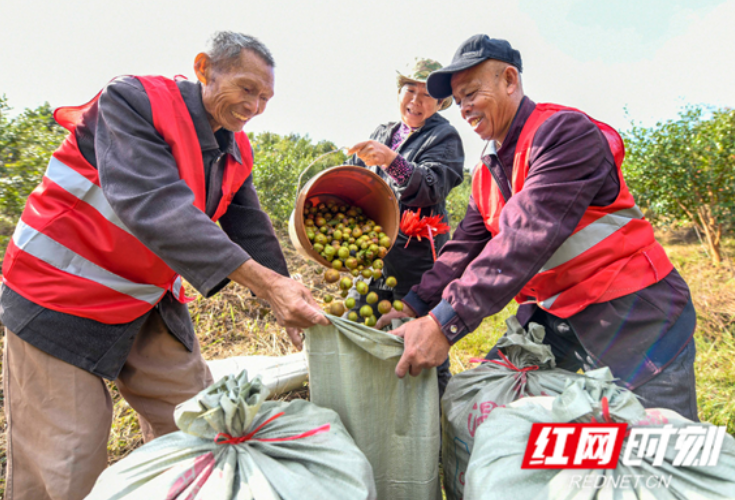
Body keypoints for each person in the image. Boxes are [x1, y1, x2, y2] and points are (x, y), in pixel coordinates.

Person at [0, 31, 328, 500]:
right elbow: (154, 205)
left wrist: (284, 295)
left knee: (203, 423)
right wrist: (266, 285)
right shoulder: (132, 102)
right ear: (204, 69)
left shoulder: (235, 149)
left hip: (141, 300)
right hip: (59, 294)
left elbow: (251, 228)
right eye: (247, 88)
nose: (255, 106)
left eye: (265, 97)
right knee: (68, 463)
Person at [378, 35, 698, 421]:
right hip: (556, 316)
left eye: (472, 93)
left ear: (509, 80)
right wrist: (413, 304)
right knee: (493, 411)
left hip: (633, 318)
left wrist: (444, 324)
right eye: (459, 99)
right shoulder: (488, 170)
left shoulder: (564, 134)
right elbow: (463, 250)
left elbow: (524, 238)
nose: (464, 108)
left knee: (660, 453)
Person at [345, 57, 465, 395]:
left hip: (417, 264)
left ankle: (436, 423)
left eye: (426, 94)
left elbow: (431, 186)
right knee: (358, 327)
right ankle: (372, 403)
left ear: (441, 102)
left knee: (422, 344)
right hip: (372, 260)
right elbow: (353, 182)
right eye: (409, 89)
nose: (415, 100)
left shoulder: (445, 137)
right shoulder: (383, 133)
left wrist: (392, 161)